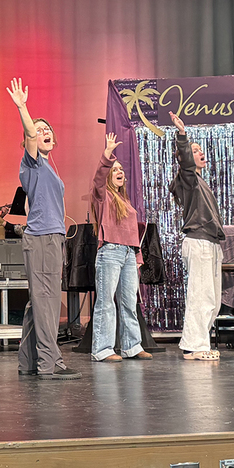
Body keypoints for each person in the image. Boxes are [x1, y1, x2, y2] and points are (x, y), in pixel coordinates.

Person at [6, 78, 78, 380]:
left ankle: (29, 362)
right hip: (42, 238)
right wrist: (23, 108)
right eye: (39, 130)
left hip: (51, 238)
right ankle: (51, 364)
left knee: (38, 304)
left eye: (48, 128)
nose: (43, 132)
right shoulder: (32, 163)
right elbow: (31, 136)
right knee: (47, 303)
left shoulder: (48, 166)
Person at [168, 112, 225, 361]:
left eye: (200, 149)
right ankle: (194, 345)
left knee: (212, 299)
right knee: (201, 296)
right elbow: (186, 164)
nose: (199, 152)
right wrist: (182, 136)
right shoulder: (188, 179)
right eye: (194, 149)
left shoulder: (201, 183)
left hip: (210, 242)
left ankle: (200, 341)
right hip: (199, 240)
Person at [90, 132, 149, 362]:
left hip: (128, 253)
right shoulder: (103, 195)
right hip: (111, 252)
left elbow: (133, 233)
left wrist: (137, 257)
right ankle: (102, 349)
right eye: (114, 170)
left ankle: (132, 346)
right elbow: (97, 178)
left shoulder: (125, 201)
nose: (119, 172)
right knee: (106, 302)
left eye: (121, 169)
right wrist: (107, 154)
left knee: (128, 302)